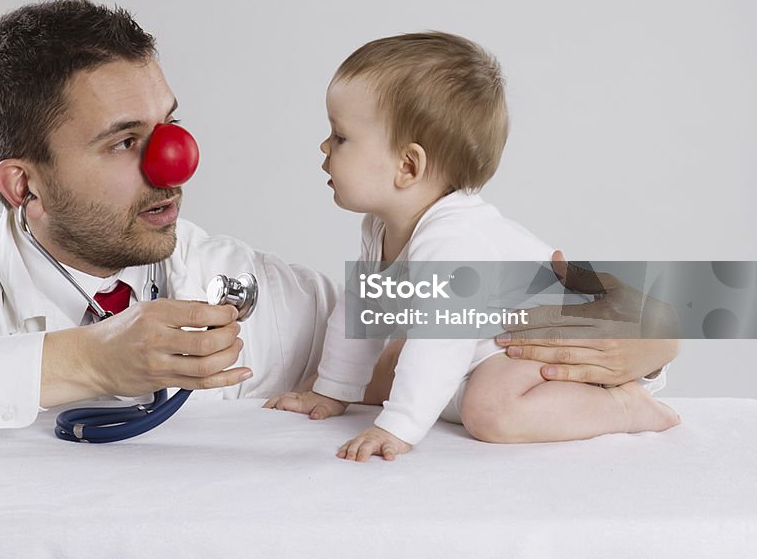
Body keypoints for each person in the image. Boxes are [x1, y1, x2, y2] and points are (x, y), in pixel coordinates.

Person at [0, 0, 677, 444]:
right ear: (20, 183)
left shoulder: (233, 276)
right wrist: (82, 361)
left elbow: (405, 335)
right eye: (126, 142)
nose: (174, 164)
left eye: (169, 127)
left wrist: (646, 331)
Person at [265, 33, 680, 461]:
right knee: (390, 366)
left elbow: (438, 341)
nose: (324, 146)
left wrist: (398, 427)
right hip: (487, 349)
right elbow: (361, 312)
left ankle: (623, 406)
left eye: (340, 137)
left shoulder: (452, 240)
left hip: (540, 345)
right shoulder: (380, 227)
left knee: (489, 410)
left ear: (408, 166)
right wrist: (332, 394)